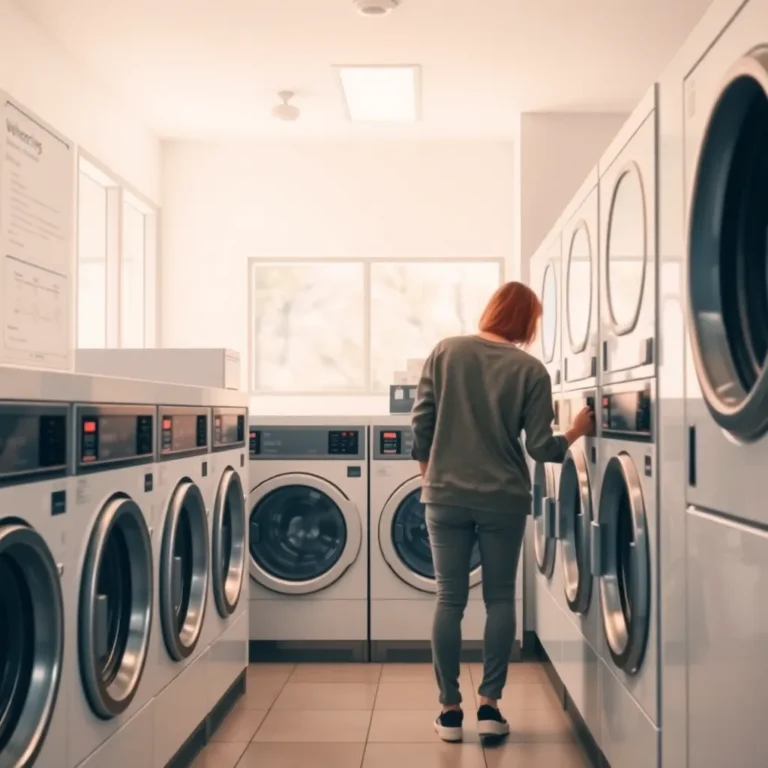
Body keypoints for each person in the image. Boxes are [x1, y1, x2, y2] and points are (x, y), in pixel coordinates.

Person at [410, 280, 594, 743]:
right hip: (503, 499)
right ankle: (490, 708)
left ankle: (450, 713)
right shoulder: (531, 370)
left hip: (444, 496)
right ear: (528, 323)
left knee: (449, 599)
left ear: (492, 310)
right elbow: (542, 448)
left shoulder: (445, 351)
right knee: (498, 600)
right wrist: (575, 431)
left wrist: (428, 475)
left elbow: (421, 424)